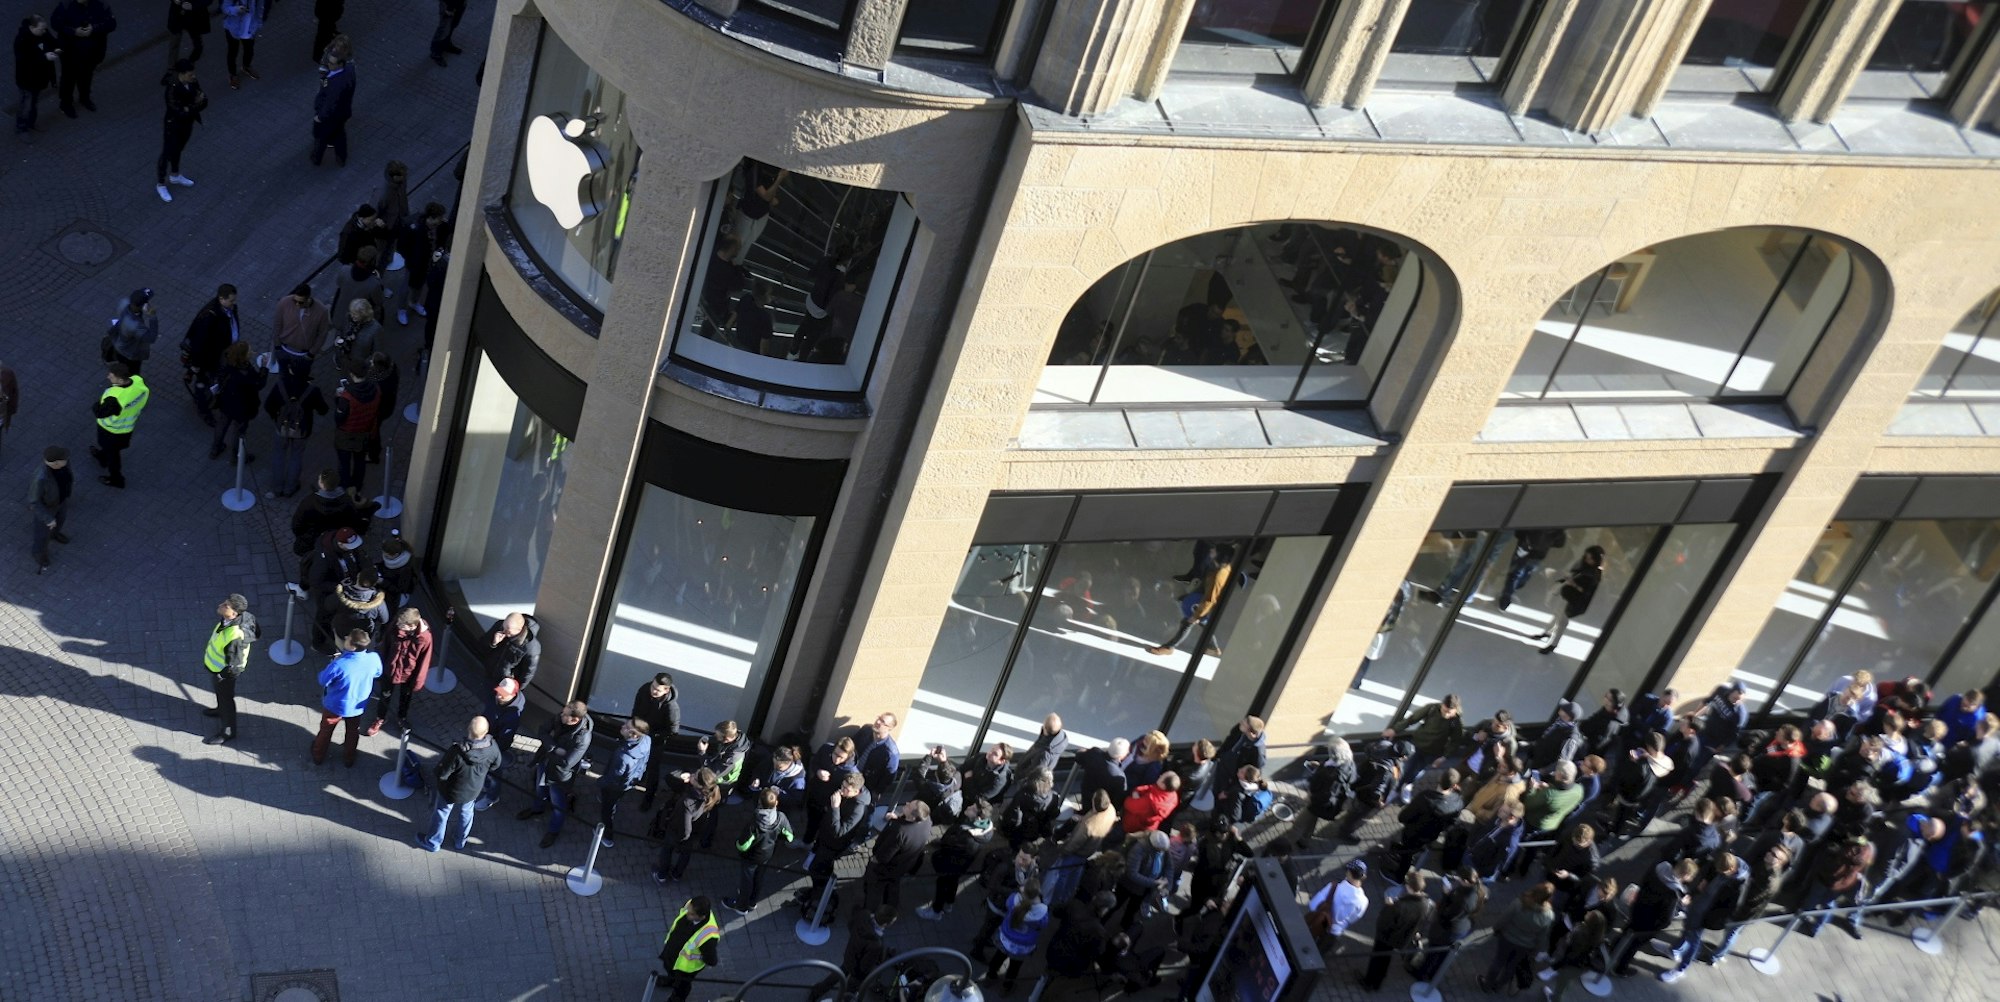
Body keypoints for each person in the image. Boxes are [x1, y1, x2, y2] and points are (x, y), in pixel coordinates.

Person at [1656, 850, 1745, 982]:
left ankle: (1680, 969)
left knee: (1694, 942)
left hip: (1705, 915)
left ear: (1732, 869)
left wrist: (1708, 920)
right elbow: (1710, 872)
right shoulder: (1724, 863)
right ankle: (1675, 951)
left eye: (1723, 872)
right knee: (1687, 930)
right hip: (1698, 905)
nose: (1719, 873)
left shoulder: (1737, 885)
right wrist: (1699, 888)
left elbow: (1726, 908)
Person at [418, 716, 502, 852]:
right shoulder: (492, 746)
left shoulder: (457, 751)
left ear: (469, 729)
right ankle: (460, 841)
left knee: (441, 813)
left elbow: (443, 773)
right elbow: (496, 764)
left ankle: (433, 842)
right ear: (486, 731)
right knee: (467, 813)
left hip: (451, 791)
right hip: (473, 790)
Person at [518, 700, 593, 849]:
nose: (561, 715)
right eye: (563, 712)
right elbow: (542, 730)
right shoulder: (562, 716)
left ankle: (553, 830)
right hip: (546, 763)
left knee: (558, 804)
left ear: (575, 719)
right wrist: (554, 748)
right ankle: (537, 808)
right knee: (540, 789)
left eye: (565, 715)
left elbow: (567, 763)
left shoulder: (583, 737)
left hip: (560, 776)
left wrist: (549, 750)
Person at [1609, 858, 1696, 976]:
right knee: (1634, 945)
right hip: (1649, 923)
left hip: (1638, 907)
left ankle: (1612, 950)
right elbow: (1666, 918)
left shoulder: (1660, 867)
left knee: (1627, 930)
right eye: (1690, 877)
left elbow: (1644, 881)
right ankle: (1620, 968)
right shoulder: (1673, 893)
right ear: (1685, 875)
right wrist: (1680, 905)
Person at [1146, 542, 1235, 655]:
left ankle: (1169, 648)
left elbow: (1210, 599)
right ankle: (1213, 647)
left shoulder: (1219, 575)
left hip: (1206, 605)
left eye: (1215, 550)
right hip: (1204, 602)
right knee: (1204, 623)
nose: (1211, 551)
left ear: (1220, 555)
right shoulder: (1220, 569)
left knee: (1187, 623)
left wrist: (1196, 615)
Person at [312, 628, 381, 766]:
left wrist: (333, 663)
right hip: (357, 706)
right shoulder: (373, 658)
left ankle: (318, 755)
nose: (346, 638)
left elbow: (322, 679)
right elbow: (377, 674)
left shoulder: (339, 664)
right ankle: (349, 758)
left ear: (353, 646)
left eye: (348, 638)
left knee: (326, 730)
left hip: (335, 705)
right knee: (352, 731)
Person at [804, 771, 871, 908]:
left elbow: (839, 832)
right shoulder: (847, 794)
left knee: (815, 869)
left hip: (832, 844)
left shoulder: (858, 808)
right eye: (843, 785)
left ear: (856, 791)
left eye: (847, 789)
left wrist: (835, 808)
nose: (842, 790)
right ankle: (824, 884)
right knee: (824, 866)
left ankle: (820, 892)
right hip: (824, 836)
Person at [721, 787, 794, 913]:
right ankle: (752, 902)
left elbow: (742, 846)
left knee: (747, 881)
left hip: (751, 857)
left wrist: (737, 844)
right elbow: (790, 837)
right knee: (759, 878)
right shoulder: (781, 817)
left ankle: (741, 906)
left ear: (760, 803)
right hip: (767, 854)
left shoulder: (754, 822)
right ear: (776, 803)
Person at [1362, 871, 1434, 991]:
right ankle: (1380, 979)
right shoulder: (1427, 904)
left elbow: (1384, 922)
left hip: (1387, 936)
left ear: (1409, 886)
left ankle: (1370, 982)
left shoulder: (1400, 905)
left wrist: (1388, 907)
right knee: (1386, 957)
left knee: (1377, 958)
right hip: (1404, 937)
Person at [199, 594, 256, 745]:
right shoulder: (233, 621)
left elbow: (235, 664)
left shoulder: (236, 634)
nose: (221, 605)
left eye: (226, 605)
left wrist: (223, 675)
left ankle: (228, 731)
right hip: (217, 668)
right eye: (225, 602)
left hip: (223, 673)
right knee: (222, 696)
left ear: (234, 613)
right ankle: (220, 710)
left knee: (226, 700)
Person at [1478, 882, 1554, 993]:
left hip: (1507, 938)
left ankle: (1487, 984)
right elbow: (1542, 936)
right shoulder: (1549, 915)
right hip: (1525, 945)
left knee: (1498, 961)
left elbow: (1504, 919)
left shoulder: (1519, 903)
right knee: (1511, 966)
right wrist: (1535, 951)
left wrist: (1495, 929)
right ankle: (1498, 987)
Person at [367, 607, 430, 735]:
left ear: (412, 626)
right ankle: (380, 718)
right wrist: (380, 667)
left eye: (402, 625)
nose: (398, 626)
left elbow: (424, 661)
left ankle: (402, 718)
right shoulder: (396, 626)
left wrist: (418, 681)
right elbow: (385, 646)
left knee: (405, 698)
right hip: (390, 670)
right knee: (385, 696)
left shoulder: (425, 638)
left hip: (409, 675)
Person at [652, 766, 722, 880]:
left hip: (677, 832)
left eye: (694, 776)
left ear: (699, 785)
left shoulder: (687, 803)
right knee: (686, 854)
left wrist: (681, 839)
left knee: (667, 850)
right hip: (696, 830)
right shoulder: (711, 794)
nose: (692, 775)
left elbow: (685, 830)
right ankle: (677, 875)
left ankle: (662, 875)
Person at [589, 718, 650, 849]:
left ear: (633, 735)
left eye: (626, 727)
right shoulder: (646, 740)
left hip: (614, 787)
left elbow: (612, 778)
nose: (622, 726)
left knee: (607, 811)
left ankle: (607, 837)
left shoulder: (622, 756)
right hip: (629, 783)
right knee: (613, 800)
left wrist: (599, 782)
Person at [862, 799, 933, 911]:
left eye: (909, 806)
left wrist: (874, 861)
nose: (906, 803)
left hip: (887, 868)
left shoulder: (899, 831)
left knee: (874, 888)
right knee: (893, 885)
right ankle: (890, 908)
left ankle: (869, 911)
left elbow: (883, 856)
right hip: (905, 864)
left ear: (913, 817)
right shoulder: (927, 821)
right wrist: (899, 819)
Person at [1533, 546, 1603, 655]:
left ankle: (1553, 644)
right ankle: (1547, 633)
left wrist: (1573, 583)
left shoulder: (1594, 574)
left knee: (1562, 621)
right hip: (1567, 595)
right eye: (1587, 557)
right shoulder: (1584, 567)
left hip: (1574, 600)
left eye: (1590, 558)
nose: (1587, 560)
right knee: (1557, 614)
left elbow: (1586, 592)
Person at [90, 362, 149, 488]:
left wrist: (96, 404)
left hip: (111, 431)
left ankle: (116, 479)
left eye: (111, 376)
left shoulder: (115, 398)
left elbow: (99, 412)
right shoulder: (137, 381)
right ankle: (102, 456)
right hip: (126, 429)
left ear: (121, 380)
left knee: (113, 456)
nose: (108, 377)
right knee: (110, 450)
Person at [155, 58, 206, 202]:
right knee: (168, 152)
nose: (193, 76)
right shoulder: (172, 88)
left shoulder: (192, 81)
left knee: (178, 149)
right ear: (181, 74)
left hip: (187, 123)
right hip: (173, 125)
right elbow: (177, 111)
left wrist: (190, 107)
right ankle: (161, 183)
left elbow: (204, 99)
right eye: (190, 74)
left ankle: (175, 175)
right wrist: (194, 105)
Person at [51, 0, 113, 118]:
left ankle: (84, 98)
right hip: (70, 52)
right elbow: (55, 23)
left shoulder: (100, 5)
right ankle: (66, 104)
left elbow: (111, 24)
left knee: (87, 76)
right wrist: (74, 32)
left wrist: (93, 29)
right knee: (68, 79)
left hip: (92, 52)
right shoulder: (65, 5)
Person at [205, 342, 264, 460]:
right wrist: (264, 368)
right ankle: (237, 456)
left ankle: (215, 449)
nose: (250, 352)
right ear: (243, 356)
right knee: (239, 430)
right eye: (248, 351)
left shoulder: (226, 360)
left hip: (226, 400)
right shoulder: (246, 372)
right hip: (242, 406)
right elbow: (259, 384)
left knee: (222, 424)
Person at [986, 883, 1049, 994]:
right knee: (1014, 967)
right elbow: (1043, 925)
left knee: (998, 957)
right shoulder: (1041, 914)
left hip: (1006, 939)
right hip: (1022, 946)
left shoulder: (1012, 901)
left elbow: (1007, 904)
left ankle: (989, 977)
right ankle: (1006, 988)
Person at [655, 897, 720, 1002]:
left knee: (682, 986)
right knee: (669, 970)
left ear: (702, 917)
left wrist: (693, 956)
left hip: (685, 967)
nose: (686, 914)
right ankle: (670, 981)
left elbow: (711, 960)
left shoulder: (708, 936)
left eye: (691, 914)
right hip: (671, 954)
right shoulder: (690, 905)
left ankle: (677, 998)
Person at [631, 673, 680, 810]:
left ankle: (649, 797)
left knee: (653, 770)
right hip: (639, 734)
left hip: (655, 741)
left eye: (657, 690)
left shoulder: (671, 707)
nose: (653, 690)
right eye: (653, 686)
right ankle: (637, 779)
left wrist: (652, 736)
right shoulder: (644, 690)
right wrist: (635, 726)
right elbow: (636, 709)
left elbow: (672, 731)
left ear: (667, 690)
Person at [331, 363, 381, 494]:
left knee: (344, 464)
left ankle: (345, 487)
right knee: (360, 462)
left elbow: (338, 418)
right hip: (364, 432)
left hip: (346, 435)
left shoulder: (347, 397)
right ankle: (357, 486)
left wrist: (337, 398)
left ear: (352, 375)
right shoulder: (376, 391)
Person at [1543, 909, 1608, 1001]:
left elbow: (1569, 952)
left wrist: (1556, 965)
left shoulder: (1580, 933)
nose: (1587, 912)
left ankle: (1554, 998)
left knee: (1561, 985)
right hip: (1581, 967)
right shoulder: (1598, 936)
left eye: (1590, 914)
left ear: (1591, 922)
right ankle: (1564, 989)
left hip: (1570, 966)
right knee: (1567, 981)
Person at [1305, 860, 1370, 951]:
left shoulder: (1334, 887)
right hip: (1334, 932)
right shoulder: (1364, 901)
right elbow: (1353, 919)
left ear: (1349, 873)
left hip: (1317, 923)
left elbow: (1313, 905)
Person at [28, 446, 72, 575]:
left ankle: (54, 534)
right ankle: (38, 552)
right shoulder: (41, 478)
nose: (67, 459)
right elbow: (34, 502)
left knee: (61, 519)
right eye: (64, 459)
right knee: (42, 534)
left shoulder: (64, 464)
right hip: (47, 508)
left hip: (60, 500)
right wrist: (48, 518)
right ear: (56, 463)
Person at [311, 37, 355, 166]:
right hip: (343, 112)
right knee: (340, 133)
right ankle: (341, 157)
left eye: (332, 63)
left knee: (321, 137)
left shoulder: (335, 83)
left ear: (340, 63)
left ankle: (317, 158)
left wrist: (320, 117)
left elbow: (329, 103)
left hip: (330, 115)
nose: (329, 65)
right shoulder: (350, 69)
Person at [14, 15, 59, 133]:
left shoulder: (43, 32)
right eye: (41, 29)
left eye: (45, 28)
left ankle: (31, 123)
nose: (44, 31)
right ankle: (21, 127)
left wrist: (58, 50)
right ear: (32, 27)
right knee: (25, 104)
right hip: (26, 80)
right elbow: (24, 61)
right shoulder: (21, 40)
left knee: (33, 102)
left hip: (39, 78)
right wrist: (44, 57)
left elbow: (53, 42)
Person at [271, 285, 330, 374]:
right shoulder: (284, 302)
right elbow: (277, 324)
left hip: (304, 355)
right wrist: (277, 345)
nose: (297, 305)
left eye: (301, 302)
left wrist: (312, 353)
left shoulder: (322, 311)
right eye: (295, 301)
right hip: (283, 349)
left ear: (308, 298)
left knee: (301, 378)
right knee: (283, 374)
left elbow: (322, 334)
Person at [849, 711, 902, 803]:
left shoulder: (891, 752)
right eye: (879, 718)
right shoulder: (866, 730)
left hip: (865, 786)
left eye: (883, 722)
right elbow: (850, 746)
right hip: (849, 774)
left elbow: (889, 776)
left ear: (889, 728)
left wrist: (877, 792)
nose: (878, 722)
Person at [107, 289, 161, 376]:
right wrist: (152, 317)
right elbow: (151, 338)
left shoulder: (124, 303)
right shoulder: (135, 326)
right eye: (146, 303)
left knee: (123, 366)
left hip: (119, 343)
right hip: (129, 353)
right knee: (133, 373)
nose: (149, 305)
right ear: (141, 306)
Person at [488, 612, 541, 690]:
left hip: (505, 684)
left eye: (508, 631)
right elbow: (481, 645)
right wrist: (493, 643)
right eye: (504, 628)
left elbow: (527, 673)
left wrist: (516, 690)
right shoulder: (500, 626)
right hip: (489, 671)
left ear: (519, 629)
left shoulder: (531, 648)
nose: (504, 632)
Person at [1077, 737, 1130, 808]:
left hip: (1086, 797)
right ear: (1122, 756)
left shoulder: (1093, 753)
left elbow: (1079, 757)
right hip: (1102, 806)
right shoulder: (1119, 777)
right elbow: (1118, 800)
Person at [1018, 714, 1068, 780]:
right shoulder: (1058, 739)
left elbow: (1034, 773)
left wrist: (1019, 776)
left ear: (1045, 729)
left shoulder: (1044, 754)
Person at [166, 0, 209, 66]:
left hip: (194, 17)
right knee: (174, 44)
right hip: (177, 16)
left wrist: (193, 6)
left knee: (198, 45)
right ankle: (172, 68)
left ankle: (191, 62)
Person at [429, 0, 466, 67]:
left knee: (452, 25)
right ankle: (435, 52)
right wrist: (450, 8)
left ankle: (446, 44)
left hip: (460, 3)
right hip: (448, 4)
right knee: (444, 28)